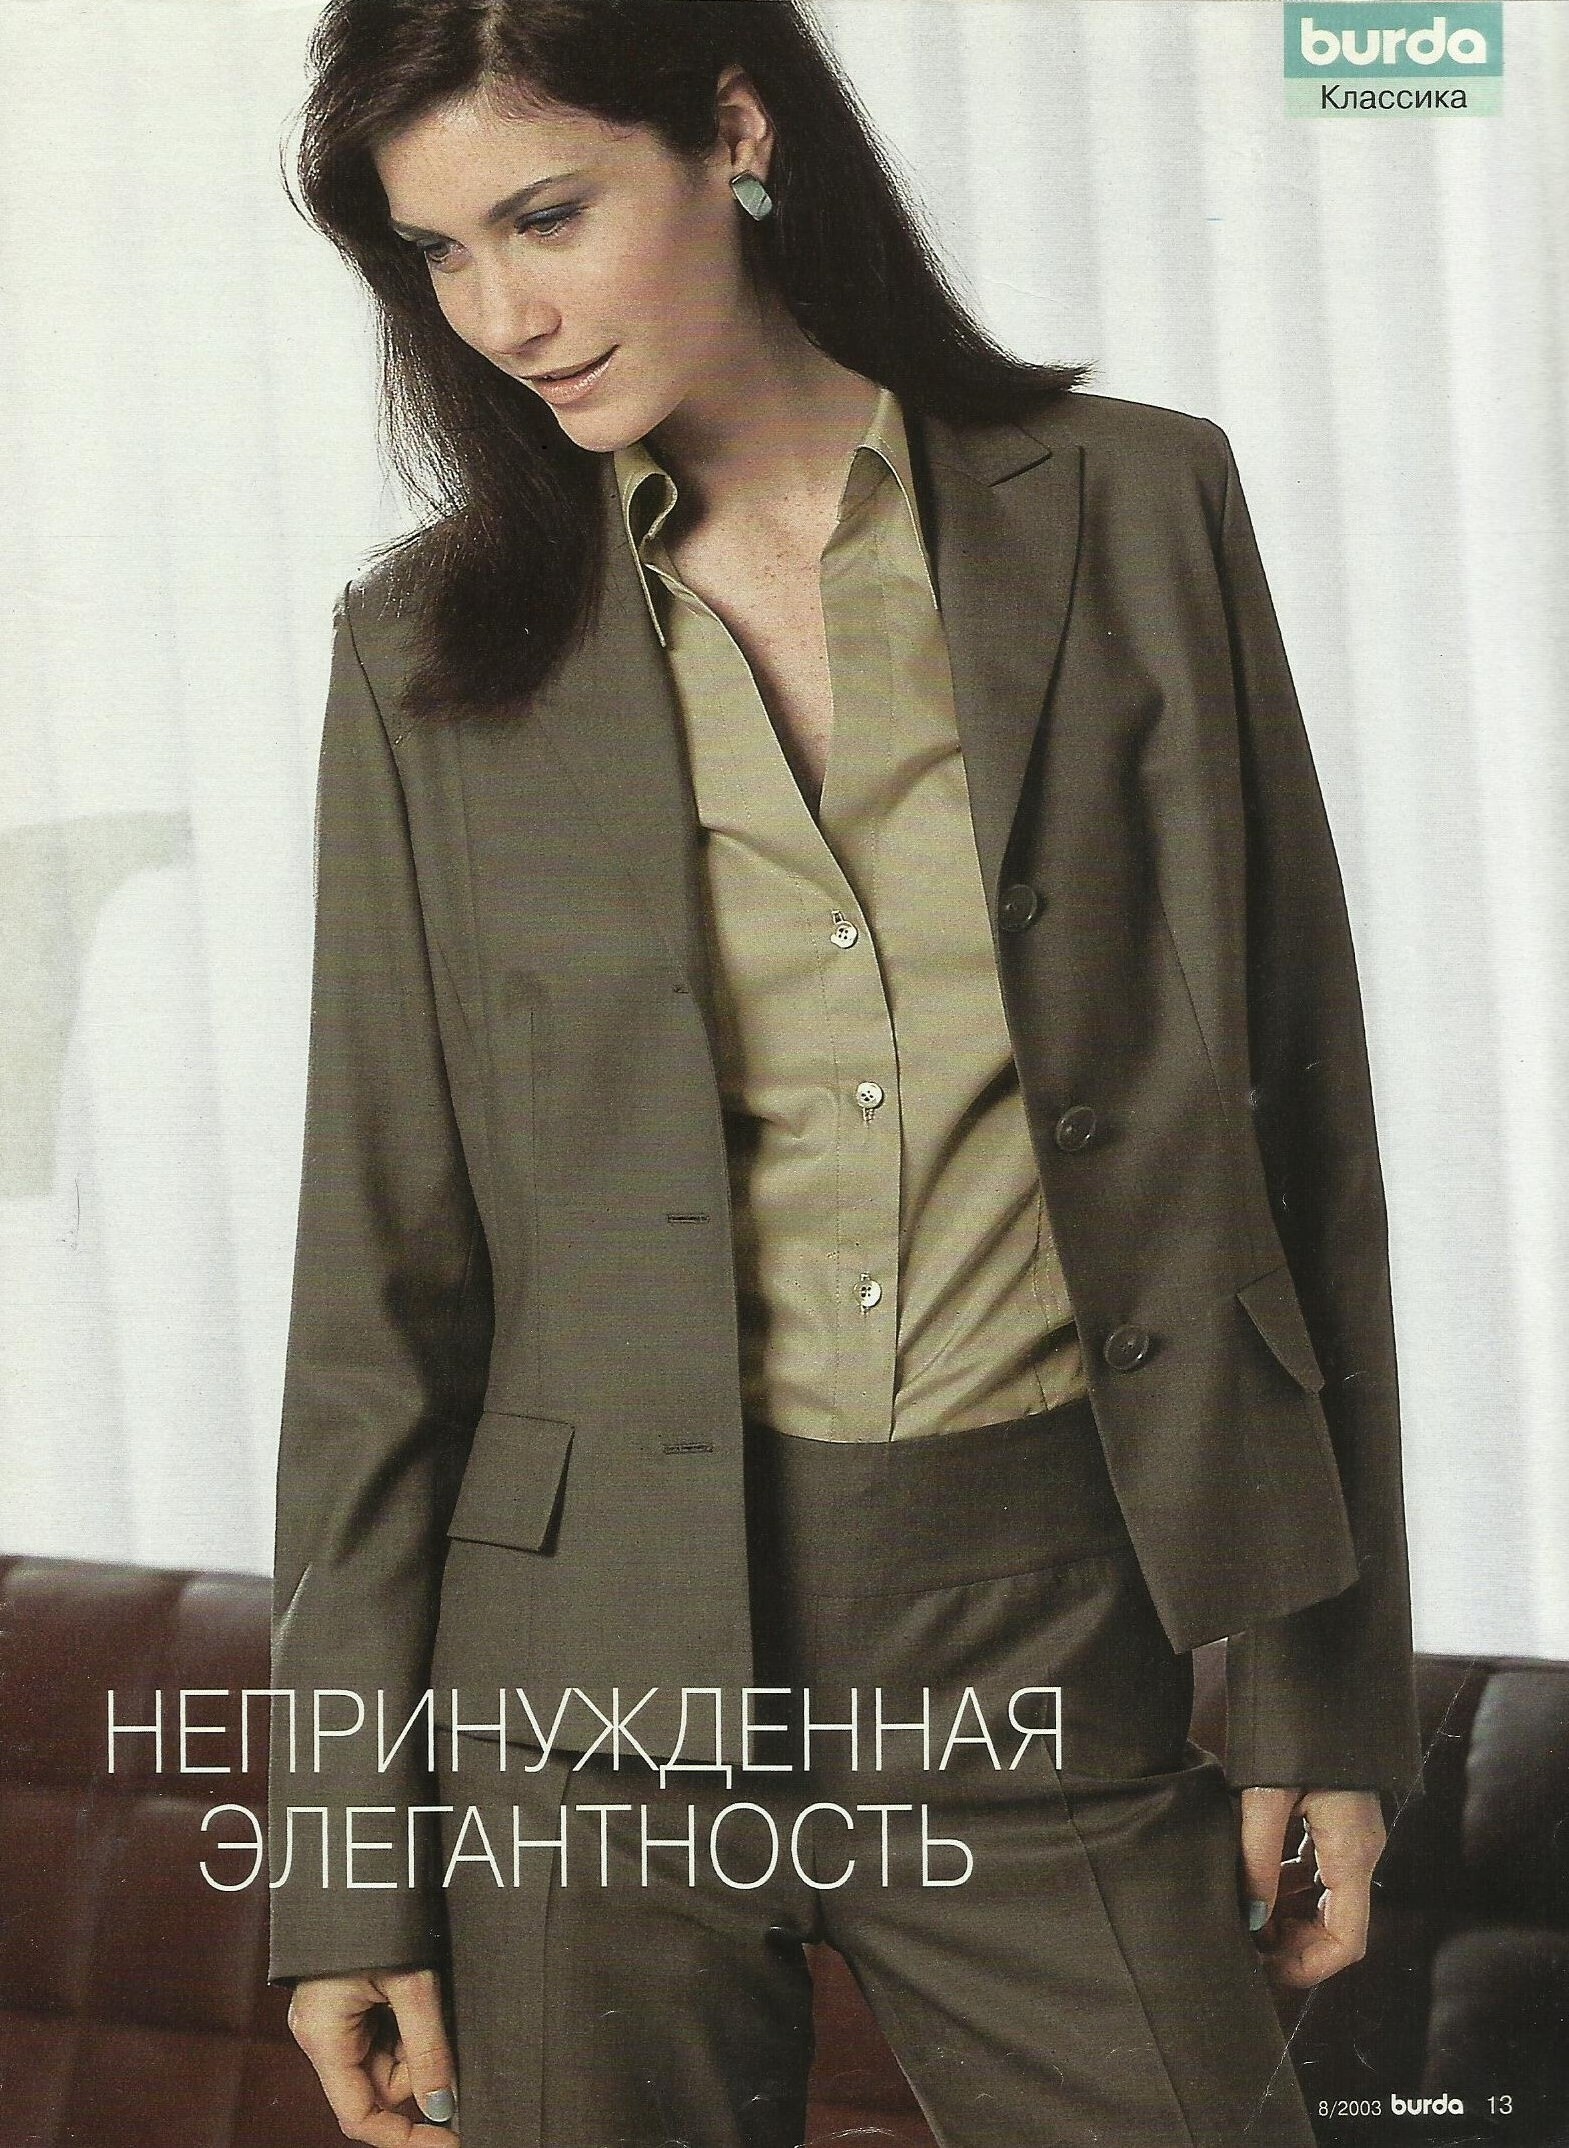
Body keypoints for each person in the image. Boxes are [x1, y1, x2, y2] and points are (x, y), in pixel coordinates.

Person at [267, 3, 1423, 2143]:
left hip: (1031, 1650)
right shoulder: (425, 647)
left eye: (546, 216)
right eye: (437, 253)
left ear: (734, 129)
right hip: (574, 1708)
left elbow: (1297, 1124)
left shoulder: (1132, 505)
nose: (500, 315)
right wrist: (345, 1863)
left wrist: (1321, 1692)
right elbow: (380, 1297)